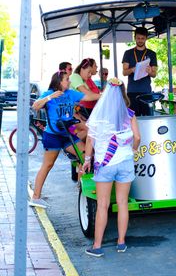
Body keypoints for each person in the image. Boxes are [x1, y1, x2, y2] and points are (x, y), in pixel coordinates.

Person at [83, 78, 141, 257]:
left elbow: (90, 139)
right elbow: (137, 138)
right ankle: (121, 242)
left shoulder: (98, 114)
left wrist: (86, 160)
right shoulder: (130, 114)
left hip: (105, 164)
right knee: (123, 203)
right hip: (125, 163)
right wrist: (132, 150)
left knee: (102, 205)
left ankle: (97, 246)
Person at [29, 70, 101, 208]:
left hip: (68, 134)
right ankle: (36, 197)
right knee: (48, 165)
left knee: (86, 156)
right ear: (59, 81)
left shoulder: (70, 94)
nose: (69, 81)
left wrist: (104, 94)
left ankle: (83, 189)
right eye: (67, 79)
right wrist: (50, 98)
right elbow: (35, 105)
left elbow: (89, 97)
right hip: (53, 135)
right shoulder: (49, 93)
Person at [122, 27, 157, 116]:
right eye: (138, 38)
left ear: (146, 38)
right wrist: (132, 69)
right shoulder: (128, 53)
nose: (140, 40)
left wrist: (149, 71)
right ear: (135, 38)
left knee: (147, 119)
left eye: (142, 38)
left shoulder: (152, 54)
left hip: (146, 92)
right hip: (132, 92)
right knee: (133, 119)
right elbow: (124, 72)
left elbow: (154, 74)